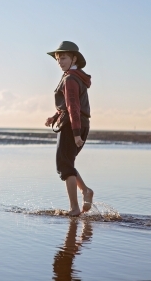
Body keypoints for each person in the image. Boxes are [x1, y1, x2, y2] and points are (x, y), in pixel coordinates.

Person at [45, 41, 94, 217]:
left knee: (64, 165)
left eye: (63, 57)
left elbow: (73, 106)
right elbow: (68, 106)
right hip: (78, 123)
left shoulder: (71, 78)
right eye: (58, 59)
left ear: (74, 58)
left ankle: (74, 207)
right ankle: (86, 192)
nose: (60, 62)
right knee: (67, 163)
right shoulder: (74, 76)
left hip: (73, 126)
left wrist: (75, 134)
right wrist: (55, 117)